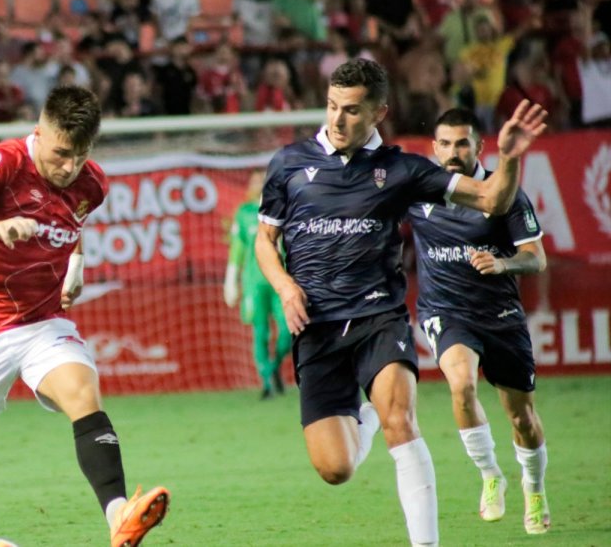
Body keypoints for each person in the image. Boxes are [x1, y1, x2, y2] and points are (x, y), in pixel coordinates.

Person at [255, 58, 548, 547]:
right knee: (335, 469)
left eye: (351, 110)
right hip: (317, 327)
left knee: (403, 424)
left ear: (379, 113)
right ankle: (365, 417)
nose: (337, 119)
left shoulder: (402, 169)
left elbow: (492, 200)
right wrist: (286, 288)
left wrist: (510, 158)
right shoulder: (288, 164)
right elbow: (265, 241)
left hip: (378, 317)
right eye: (332, 106)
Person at [0, 86, 169, 547]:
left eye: (80, 155)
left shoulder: (92, 184)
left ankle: (119, 515)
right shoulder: (5, 162)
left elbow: (73, 221)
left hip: (42, 323)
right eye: (61, 154)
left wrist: (77, 261)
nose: (69, 167)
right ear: (40, 132)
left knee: (83, 393)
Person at [406, 108, 550, 534]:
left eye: (462, 143)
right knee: (461, 384)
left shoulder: (504, 194)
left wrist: (503, 264)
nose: (454, 152)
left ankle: (534, 487)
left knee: (522, 419)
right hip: (446, 311)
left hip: (500, 315)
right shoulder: (418, 192)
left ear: (478, 147)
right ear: (434, 148)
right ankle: (490, 475)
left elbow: (536, 258)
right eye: (446, 144)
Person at [224, 169, 290, 399]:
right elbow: (237, 249)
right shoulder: (244, 213)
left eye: (264, 180)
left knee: (287, 331)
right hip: (254, 281)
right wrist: (230, 280)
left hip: (280, 279)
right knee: (260, 332)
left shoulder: (284, 208)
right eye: (256, 181)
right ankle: (267, 381)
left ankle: (273, 367)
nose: (260, 185)